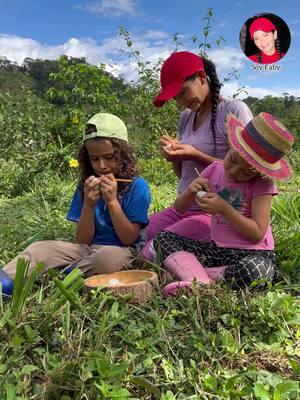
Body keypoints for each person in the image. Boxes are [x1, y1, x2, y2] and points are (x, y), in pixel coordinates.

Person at [0, 113, 151, 296]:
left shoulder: (137, 186)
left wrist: (112, 201)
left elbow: (129, 238)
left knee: (107, 259)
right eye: (95, 159)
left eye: (109, 157)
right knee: (39, 248)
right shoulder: (86, 186)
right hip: (87, 249)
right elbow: (83, 240)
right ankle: (5, 282)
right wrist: (88, 205)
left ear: (124, 155)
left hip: (122, 251)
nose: (102, 166)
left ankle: (69, 274)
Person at [152, 112, 294, 297]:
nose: (234, 172)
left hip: (252, 254)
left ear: (259, 172)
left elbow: (257, 233)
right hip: (218, 250)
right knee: (164, 239)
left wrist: (225, 209)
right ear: (231, 147)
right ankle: (201, 280)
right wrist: (190, 192)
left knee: (258, 271)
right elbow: (179, 208)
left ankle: (194, 275)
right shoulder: (214, 170)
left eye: (245, 172)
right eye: (233, 160)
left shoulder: (262, 185)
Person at [141, 51, 253, 262]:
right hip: (183, 206)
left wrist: (196, 154)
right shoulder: (185, 118)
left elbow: (250, 168)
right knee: (136, 234)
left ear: (202, 77)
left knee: (150, 251)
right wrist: (176, 158)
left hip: (216, 212)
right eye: (177, 98)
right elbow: (183, 175)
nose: (181, 102)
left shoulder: (233, 110)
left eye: (183, 93)